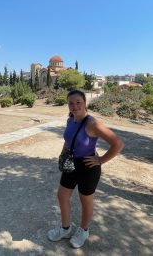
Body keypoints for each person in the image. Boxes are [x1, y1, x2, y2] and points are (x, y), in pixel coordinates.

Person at [47, 89, 125, 248]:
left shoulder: (93, 123)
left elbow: (118, 144)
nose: (74, 106)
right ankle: (65, 228)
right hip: (71, 165)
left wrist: (101, 160)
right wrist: (64, 153)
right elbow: (69, 140)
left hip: (88, 167)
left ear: (85, 103)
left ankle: (83, 231)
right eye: (71, 103)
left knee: (85, 201)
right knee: (62, 195)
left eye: (78, 102)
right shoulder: (70, 120)